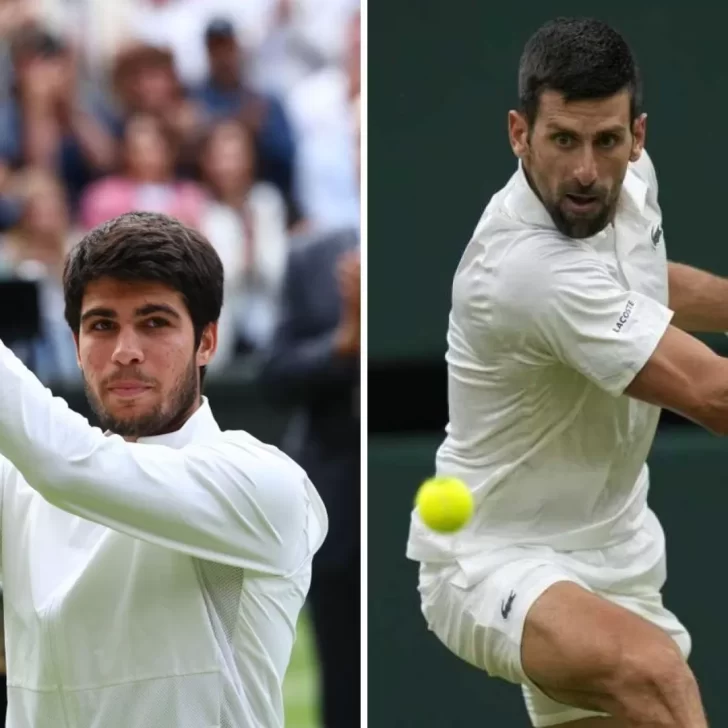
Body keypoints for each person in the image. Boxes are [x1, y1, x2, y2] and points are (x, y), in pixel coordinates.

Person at [404, 17, 728, 727]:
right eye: (562, 141)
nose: (586, 170)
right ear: (519, 133)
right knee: (654, 674)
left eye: (607, 141)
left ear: (636, 136)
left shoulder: (629, 183)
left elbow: (641, 279)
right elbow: (714, 395)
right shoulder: (526, 270)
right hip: (493, 558)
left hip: (618, 549)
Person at [0, 211, 327, 728]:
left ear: (207, 342)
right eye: (102, 325)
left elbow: (65, 466)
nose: (125, 352)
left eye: (154, 322)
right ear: (76, 344)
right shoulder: (20, 480)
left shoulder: (266, 484)